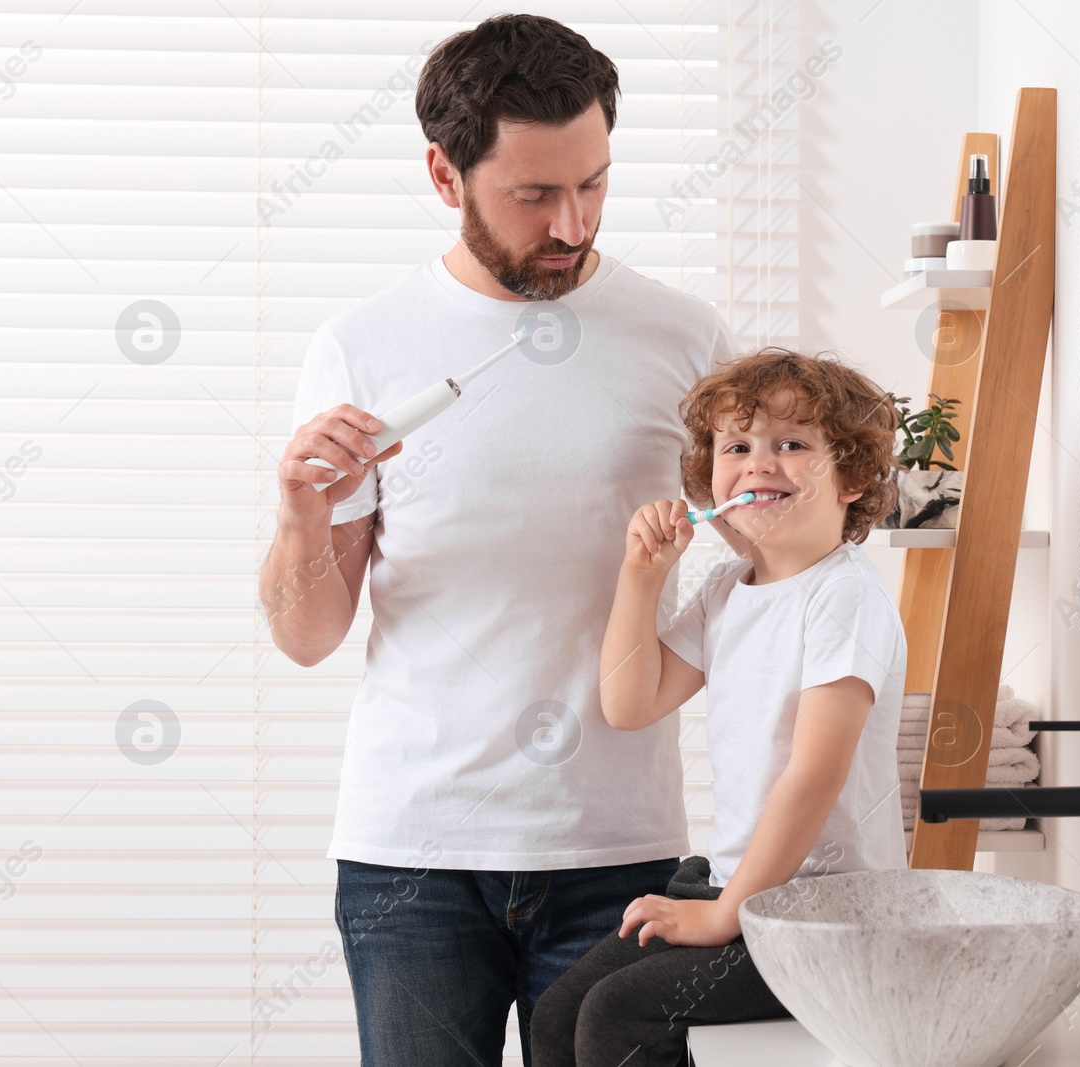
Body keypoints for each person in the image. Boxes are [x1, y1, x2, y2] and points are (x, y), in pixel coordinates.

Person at [257, 15, 734, 1066]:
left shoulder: (686, 341)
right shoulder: (362, 346)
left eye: (594, 184)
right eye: (533, 195)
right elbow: (306, 634)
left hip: (619, 851)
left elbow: (768, 553)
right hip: (412, 860)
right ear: (444, 172)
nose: (572, 223)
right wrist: (300, 513)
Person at [530, 348, 909, 1066]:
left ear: (853, 477)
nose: (758, 463)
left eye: (791, 445)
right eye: (737, 446)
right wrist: (641, 579)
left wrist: (724, 913)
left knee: (619, 1015)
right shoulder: (727, 591)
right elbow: (629, 701)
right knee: (557, 1015)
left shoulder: (844, 598)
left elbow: (815, 775)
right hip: (743, 887)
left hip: (826, 915)